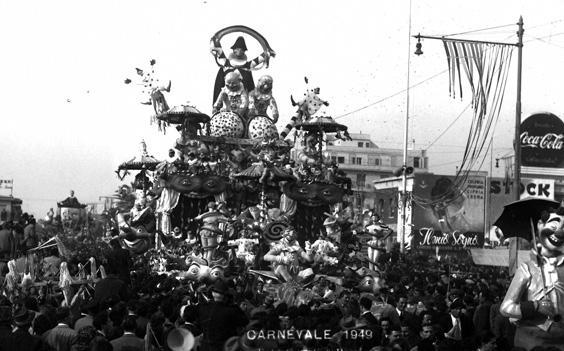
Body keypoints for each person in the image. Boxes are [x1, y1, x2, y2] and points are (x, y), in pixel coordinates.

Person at [210, 36, 270, 105]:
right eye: (237, 48)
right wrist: (214, 42)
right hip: (226, 101)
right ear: (233, 50)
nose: (239, 51)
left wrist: (267, 52)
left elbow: (259, 59)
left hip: (243, 100)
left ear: (244, 51)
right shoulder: (226, 64)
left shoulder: (247, 66)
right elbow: (218, 51)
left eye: (241, 49)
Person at [196, 279, 249, 351]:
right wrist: (238, 308)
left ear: (212, 293)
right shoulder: (231, 310)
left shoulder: (203, 307)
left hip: (205, 347)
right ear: (225, 295)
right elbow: (245, 321)